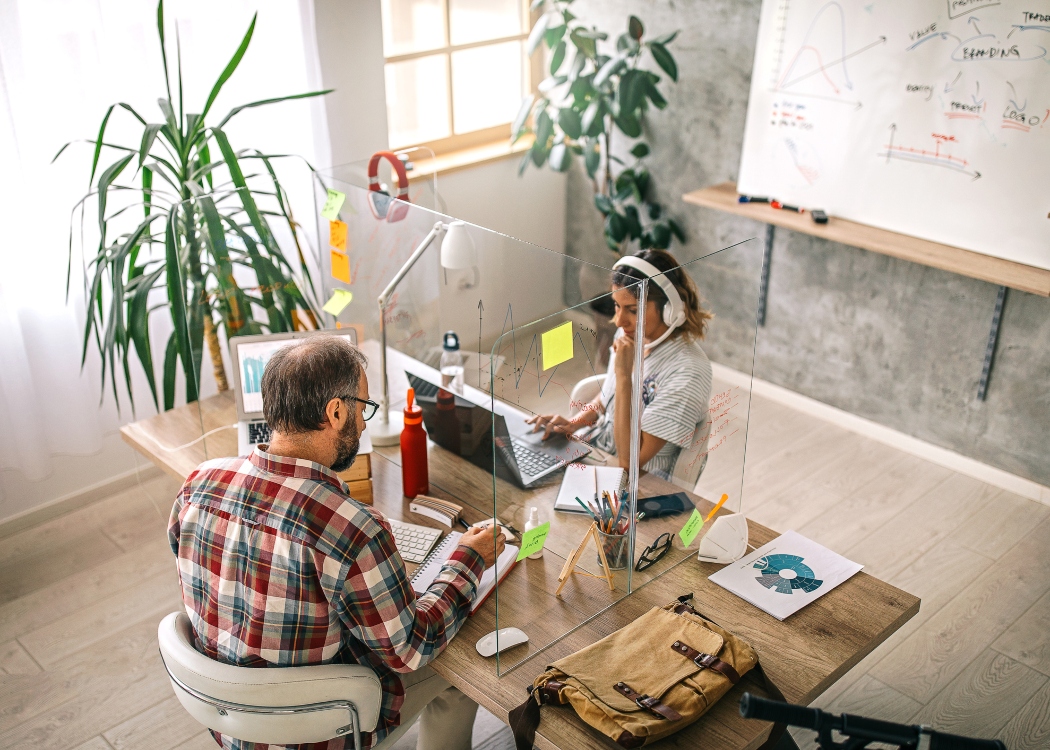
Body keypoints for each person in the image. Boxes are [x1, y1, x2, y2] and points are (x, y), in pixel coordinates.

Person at [168, 335, 505, 750]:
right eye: (363, 408)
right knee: (459, 679)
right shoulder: (353, 529)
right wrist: (467, 559)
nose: (363, 423)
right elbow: (412, 649)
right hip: (315, 733)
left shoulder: (197, 484)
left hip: (231, 720)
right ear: (336, 410)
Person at [528, 249, 713, 480]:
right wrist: (573, 424)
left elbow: (629, 463)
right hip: (598, 452)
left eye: (633, 310)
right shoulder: (630, 333)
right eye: (617, 306)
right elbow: (607, 400)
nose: (619, 320)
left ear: (670, 310)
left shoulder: (688, 373)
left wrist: (625, 375)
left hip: (638, 483)